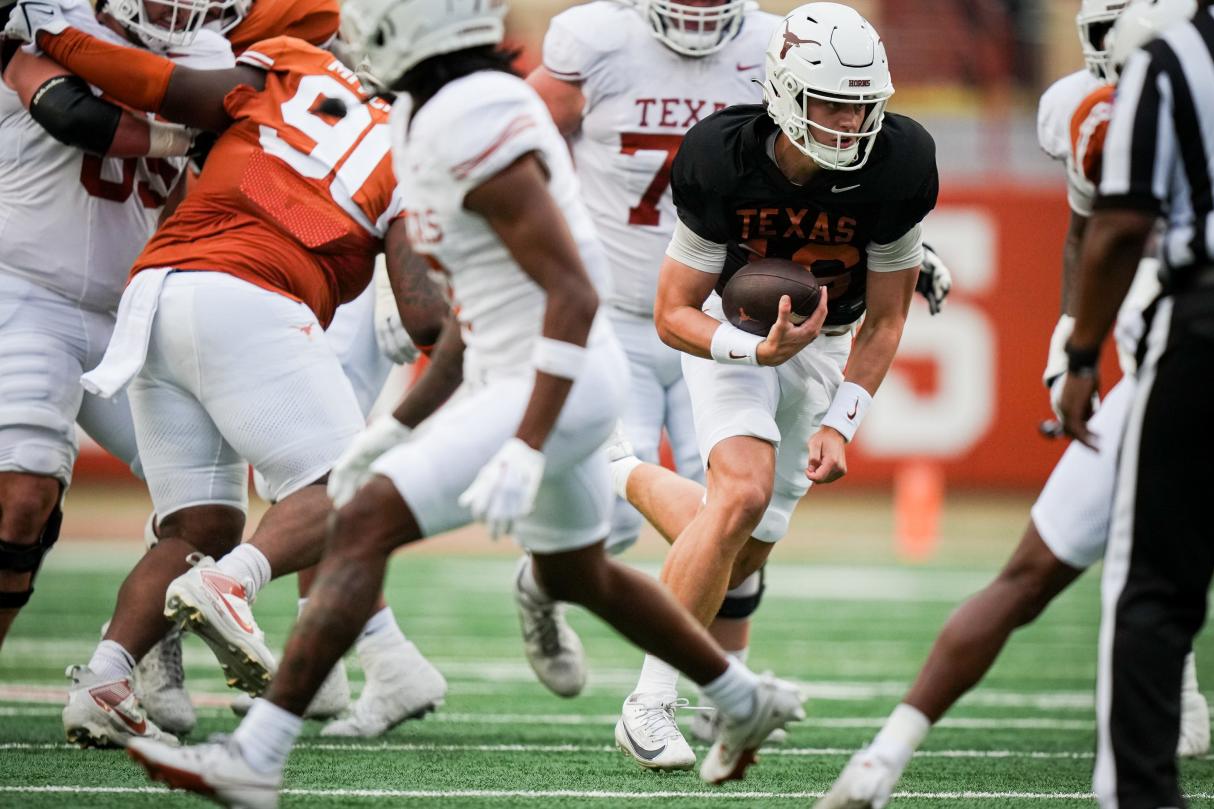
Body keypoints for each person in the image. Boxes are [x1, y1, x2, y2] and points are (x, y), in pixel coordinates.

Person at [86, 0, 807, 802]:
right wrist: (391, 427)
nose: (363, 33)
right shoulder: (431, 116)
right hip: (539, 370)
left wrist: (529, 442)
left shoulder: (472, 115)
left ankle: (256, 757)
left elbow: (569, 292)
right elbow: (469, 317)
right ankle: (745, 700)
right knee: (583, 575)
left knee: (359, 523)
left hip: (551, 376)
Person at [5, 0, 445, 748]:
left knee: (197, 525)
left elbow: (164, 89)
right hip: (248, 296)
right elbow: (421, 312)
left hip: (153, 291)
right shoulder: (418, 147)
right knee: (354, 489)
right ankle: (234, 583)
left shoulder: (288, 63)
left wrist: (54, 34)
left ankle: (108, 681)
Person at [814, 3, 1212, 806]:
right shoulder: (1083, 105)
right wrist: (1075, 341)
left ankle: (890, 758)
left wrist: (1077, 351)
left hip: (1190, 334)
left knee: (1112, 569)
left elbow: (1123, 224)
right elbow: (1088, 227)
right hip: (1165, 343)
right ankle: (884, 759)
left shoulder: (1159, 93)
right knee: (1067, 566)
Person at [604, 1, 937, 772]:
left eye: (863, 106)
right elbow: (672, 311)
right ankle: (651, 702)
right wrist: (751, 354)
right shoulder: (722, 156)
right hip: (733, 331)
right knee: (740, 493)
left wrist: (840, 422)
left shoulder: (901, 162)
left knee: (739, 549)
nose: (851, 123)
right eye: (831, 102)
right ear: (785, 91)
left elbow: (883, 323)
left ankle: (618, 468)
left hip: (823, 344)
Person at [516, 0, 780, 713]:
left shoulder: (773, 46)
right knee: (612, 518)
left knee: (739, 514)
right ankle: (542, 583)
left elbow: (811, 177)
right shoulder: (595, 40)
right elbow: (514, 141)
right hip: (618, 315)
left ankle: (720, 692)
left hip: (720, 322)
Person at [0, 0, 230, 672]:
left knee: (210, 508)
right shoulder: (46, 22)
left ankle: (134, 654)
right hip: (25, 285)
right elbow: (75, 116)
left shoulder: (209, 57)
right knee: (23, 496)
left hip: (126, 309)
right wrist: (185, 138)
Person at [1058, 1, 1214, 806]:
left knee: (1152, 584)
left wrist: (1077, 352)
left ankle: (1142, 793)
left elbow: (1117, 223)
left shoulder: (1175, 57)